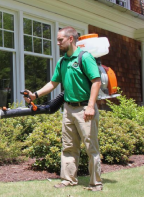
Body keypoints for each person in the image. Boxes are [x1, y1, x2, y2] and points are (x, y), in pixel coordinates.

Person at [24, 27, 103, 191]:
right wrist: (35, 95)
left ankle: (96, 183)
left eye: (61, 40)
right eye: (58, 40)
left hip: (84, 109)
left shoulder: (85, 57)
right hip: (68, 109)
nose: (58, 43)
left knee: (91, 148)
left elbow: (96, 81)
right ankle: (68, 180)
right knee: (68, 147)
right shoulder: (62, 61)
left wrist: (90, 106)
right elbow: (53, 83)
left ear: (71, 39)